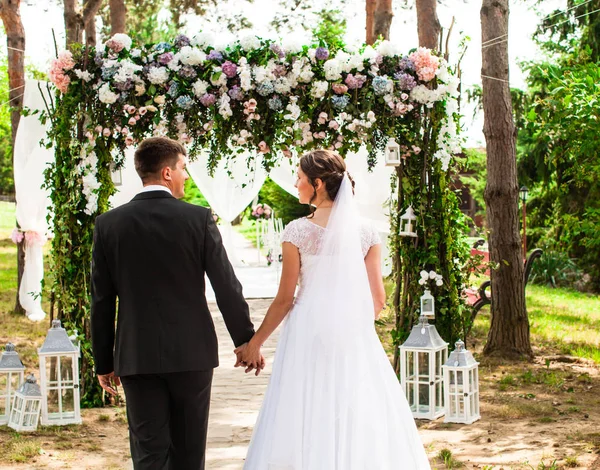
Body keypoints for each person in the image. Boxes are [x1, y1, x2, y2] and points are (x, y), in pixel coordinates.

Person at [237, 149, 431, 469]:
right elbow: (378, 299)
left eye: (299, 178)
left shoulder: (297, 232)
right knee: (354, 402)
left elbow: (285, 299)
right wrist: (351, 324)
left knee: (304, 405)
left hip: (306, 331)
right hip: (352, 332)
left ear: (317, 183)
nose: (295, 184)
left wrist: (255, 343)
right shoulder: (367, 232)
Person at [90, 137, 264, 470]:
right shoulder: (198, 219)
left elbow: (101, 301)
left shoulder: (108, 225)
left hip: (136, 356)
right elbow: (226, 285)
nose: (186, 176)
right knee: (188, 453)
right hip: (191, 353)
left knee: (148, 453)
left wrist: (103, 362)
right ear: (168, 172)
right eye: (184, 168)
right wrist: (245, 339)